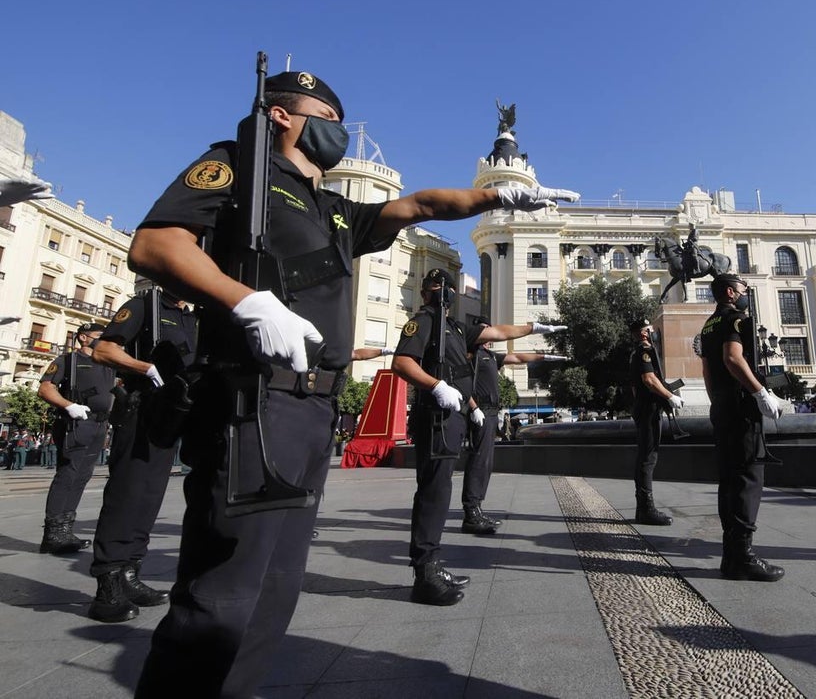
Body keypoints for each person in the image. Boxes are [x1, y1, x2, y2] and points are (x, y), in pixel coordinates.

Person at [127, 68, 578, 697]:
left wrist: (498, 199)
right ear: (282, 115)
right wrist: (245, 301)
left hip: (313, 409)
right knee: (226, 588)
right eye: (328, 118)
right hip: (254, 398)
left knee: (279, 585)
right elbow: (155, 244)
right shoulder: (237, 168)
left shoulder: (331, 208)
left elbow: (419, 205)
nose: (338, 132)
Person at [393, 272, 567, 603]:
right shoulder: (424, 321)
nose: (443, 293)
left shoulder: (457, 329)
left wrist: (534, 328)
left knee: (441, 490)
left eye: (446, 288)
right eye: (437, 288)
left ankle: (431, 562)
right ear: (429, 292)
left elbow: (500, 332)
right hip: (436, 416)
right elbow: (401, 363)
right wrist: (435, 385)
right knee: (433, 492)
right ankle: (424, 573)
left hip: (454, 415)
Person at [85, 288, 198, 623]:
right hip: (141, 407)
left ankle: (130, 573)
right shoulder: (144, 306)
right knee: (127, 493)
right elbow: (102, 350)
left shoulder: (192, 315)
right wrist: (144, 367)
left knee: (149, 496)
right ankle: (107, 585)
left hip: (173, 412)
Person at [698, 274, 785, 582]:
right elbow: (732, 358)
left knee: (729, 480)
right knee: (748, 477)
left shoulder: (708, 324)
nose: (748, 296)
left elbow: (708, 369)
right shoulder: (736, 319)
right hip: (739, 404)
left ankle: (731, 555)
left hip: (722, 404)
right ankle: (742, 557)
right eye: (746, 291)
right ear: (732, 293)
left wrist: (717, 401)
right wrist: (759, 392)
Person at [460, 318, 567, 535]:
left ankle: (477, 509)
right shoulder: (469, 355)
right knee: (478, 461)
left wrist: (544, 357)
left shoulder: (490, 356)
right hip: (479, 411)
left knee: (486, 463)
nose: (490, 337)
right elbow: (460, 384)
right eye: (485, 332)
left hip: (491, 412)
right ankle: (470, 513)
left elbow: (517, 357)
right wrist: (473, 409)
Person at [37, 322, 115, 555]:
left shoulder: (108, 363)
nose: (103, 340)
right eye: (99, 336)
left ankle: (65, 531)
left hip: (100, 423)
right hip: (77, 421)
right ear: (83, 338)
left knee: (82, 475)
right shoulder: (67, 361)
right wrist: (68, 405)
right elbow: (45, 388)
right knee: (68, 473)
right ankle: (52, 534)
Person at [627, 317, 682, 525]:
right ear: (643, 333)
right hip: (649, 410)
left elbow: (638, 386)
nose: (654, 332)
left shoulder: (641, 351)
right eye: (650, 329)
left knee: (647, 456)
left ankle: (643, 508)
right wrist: (669, 397)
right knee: (647, 458)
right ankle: (646, 509)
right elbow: (649, 380)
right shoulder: (644, 351)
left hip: (646, 408)